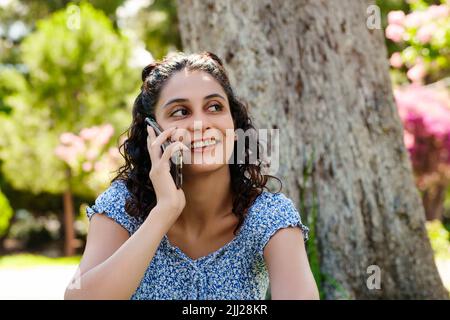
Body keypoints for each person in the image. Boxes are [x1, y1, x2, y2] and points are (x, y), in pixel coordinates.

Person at [64, 51, 319, 300]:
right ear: (152, 130)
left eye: (215, 107)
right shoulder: (122, 206)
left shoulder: (269, 216)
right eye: (180, 112)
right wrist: (164, 212)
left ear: (234, 120)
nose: (200, 123)